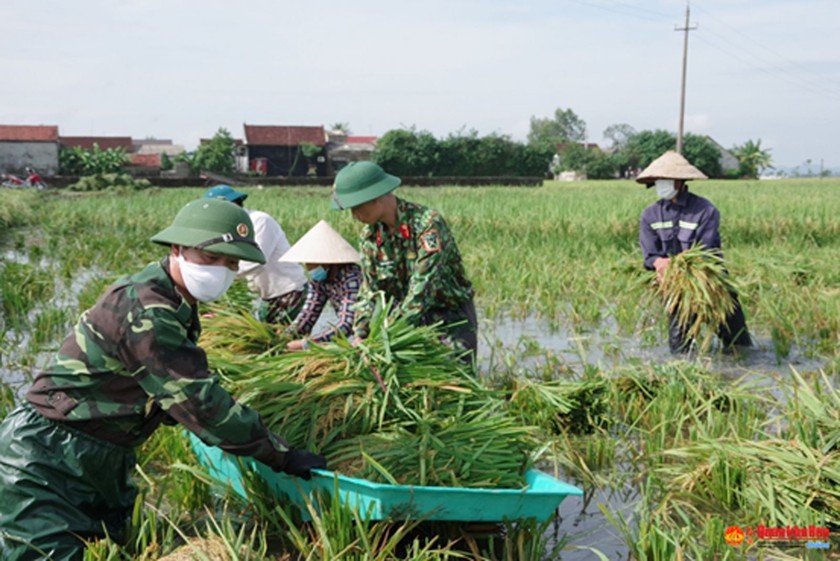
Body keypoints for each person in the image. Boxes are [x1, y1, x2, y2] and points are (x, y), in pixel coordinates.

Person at [0, 198, 326, 561]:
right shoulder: (148, 309)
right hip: (48, 457)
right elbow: (200, 403)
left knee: (111, 548)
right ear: (177, 249)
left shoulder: (175, 299)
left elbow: (163, 386)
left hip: (101, 456)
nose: (221, 270)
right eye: (210, 258)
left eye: (231, 263)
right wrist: (280, 454)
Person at [331, 161, 477, 360]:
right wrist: (361, 333)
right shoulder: (370, 237)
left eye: (357, 207)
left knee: (456, 379)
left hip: (448, 316)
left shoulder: (426, 224)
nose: (354, 216)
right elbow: (369, 290)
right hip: (404, 318)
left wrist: (386, 334)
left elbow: (423, 286)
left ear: (375, 197)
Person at [637, 150, 752, 354]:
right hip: (676, 287)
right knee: (680, 349)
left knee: (739, 345)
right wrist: (658, 263)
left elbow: (704, 252)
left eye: (667, 179)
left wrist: (674, 264)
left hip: (713, 285)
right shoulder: (649, 215)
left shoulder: (705, 211)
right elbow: (650, 255)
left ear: (680, 181)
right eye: (659, 179)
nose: (661, 184)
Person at [204, 185, 308, 324]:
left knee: (280, 340)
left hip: (289, 291)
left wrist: (217, 274)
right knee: (263, 336)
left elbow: (255, 262)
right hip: (267, 295)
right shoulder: (230, 230)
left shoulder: (260, 221)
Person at [278, 220, 363, 351]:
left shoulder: (352, 278)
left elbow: (346, 325)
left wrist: (305, 344)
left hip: (379, 331)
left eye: (312, 263)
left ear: (327, 262)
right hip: (359, 336)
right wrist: (285, 336)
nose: (309, 268)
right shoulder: (320, 281)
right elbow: (307, 315)